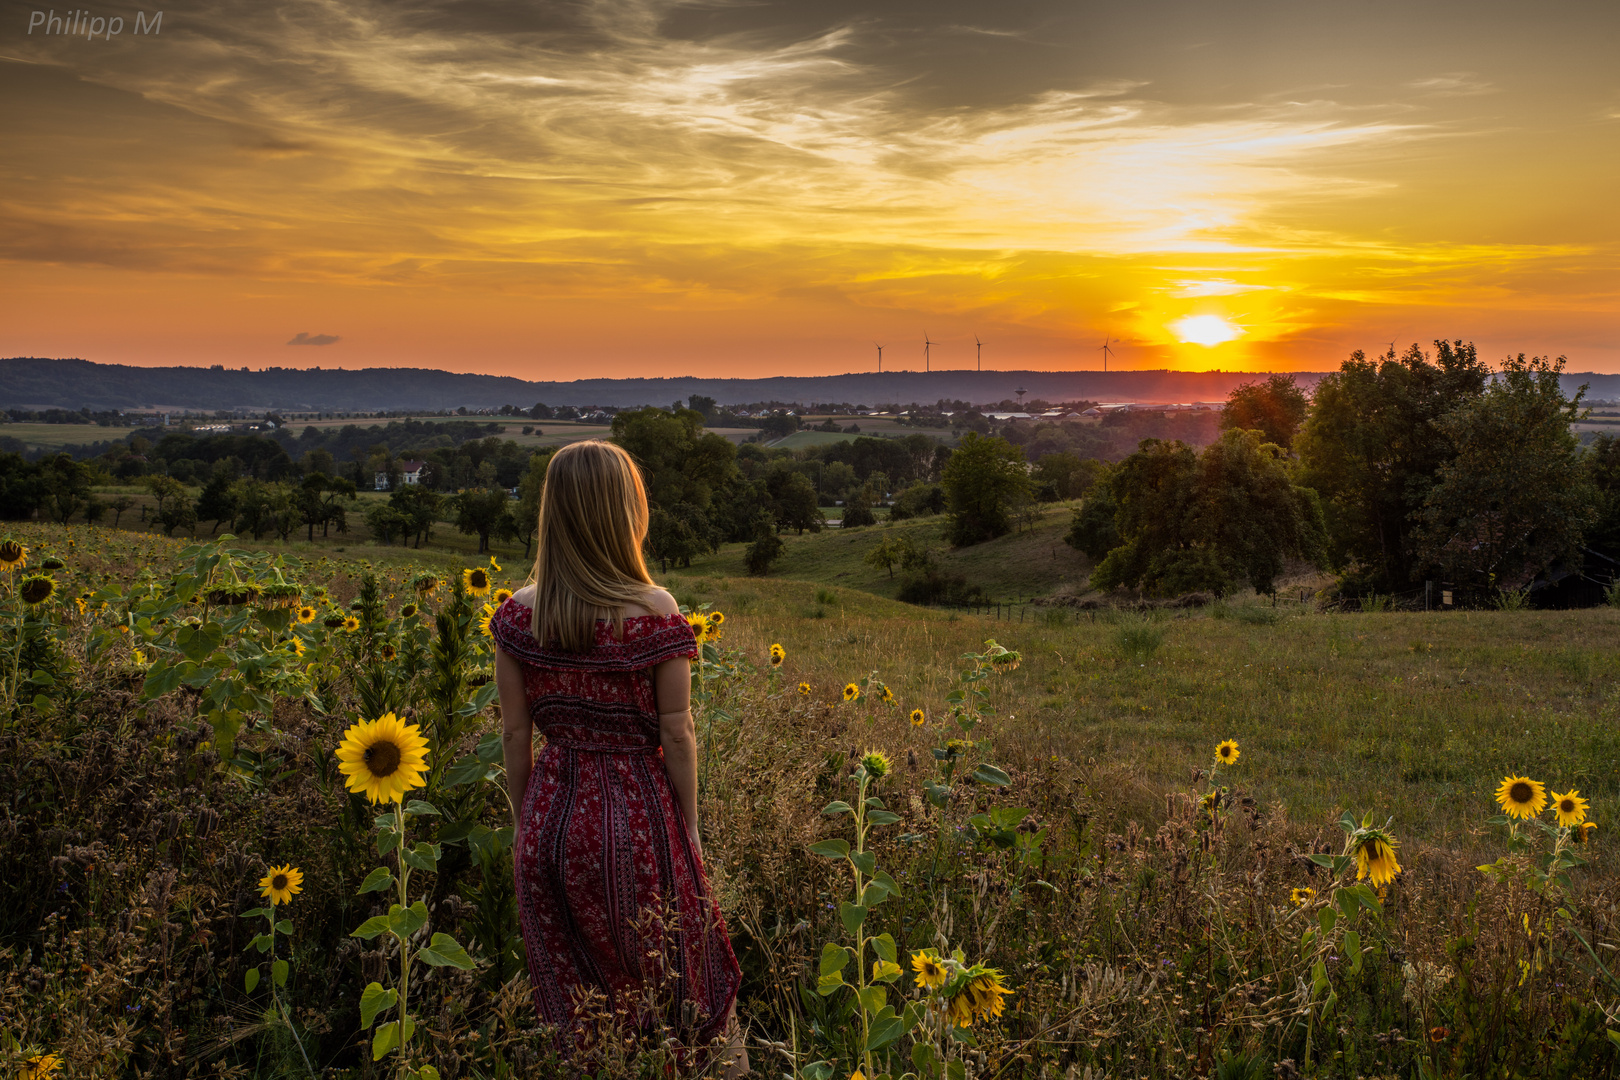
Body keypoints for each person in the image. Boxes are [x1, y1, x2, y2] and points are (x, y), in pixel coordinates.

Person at [491, 440, 746, 1073]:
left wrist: (527, 826)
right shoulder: (654, 612)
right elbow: (678, 733)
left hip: (552, 816)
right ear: (624, 512)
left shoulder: (518, 617)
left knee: (582, 1009)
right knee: (688, 981)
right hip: (638, 823)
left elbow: (515, 735)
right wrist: (687, 827)